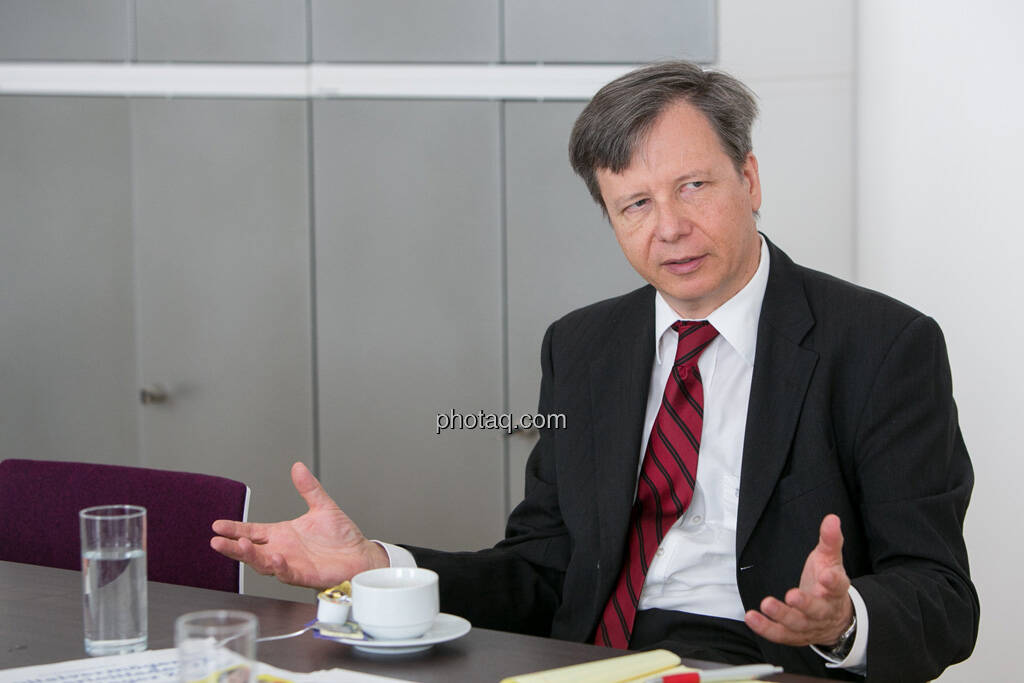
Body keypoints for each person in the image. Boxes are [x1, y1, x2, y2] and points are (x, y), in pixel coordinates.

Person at [211, 61, 978, 682]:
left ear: (749, 178)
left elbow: (942, 596)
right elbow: (545, 570)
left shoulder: (882, 346)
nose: (669, 227)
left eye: (694, 186)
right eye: (634, 203)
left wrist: (843, 621)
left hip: (768, 663)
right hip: (587, 662)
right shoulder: (582, 347)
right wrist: (380, 565)